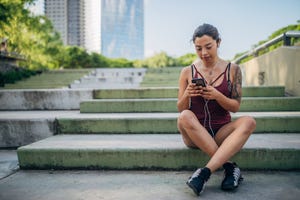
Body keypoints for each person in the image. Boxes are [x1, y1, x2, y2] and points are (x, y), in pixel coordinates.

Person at [177, 23, 256, 196]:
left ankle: (204, 173)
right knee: (184, 115)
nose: (204, 53)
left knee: (249, 121)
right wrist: (188, 94)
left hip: (221, 131)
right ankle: (229, 167)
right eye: (198, 48)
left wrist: (217, 95)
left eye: (208, 47)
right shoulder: (187, 72)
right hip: (194, 133)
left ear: (218, 42)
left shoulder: (233, 70)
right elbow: (180, 107)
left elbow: (235, 107)